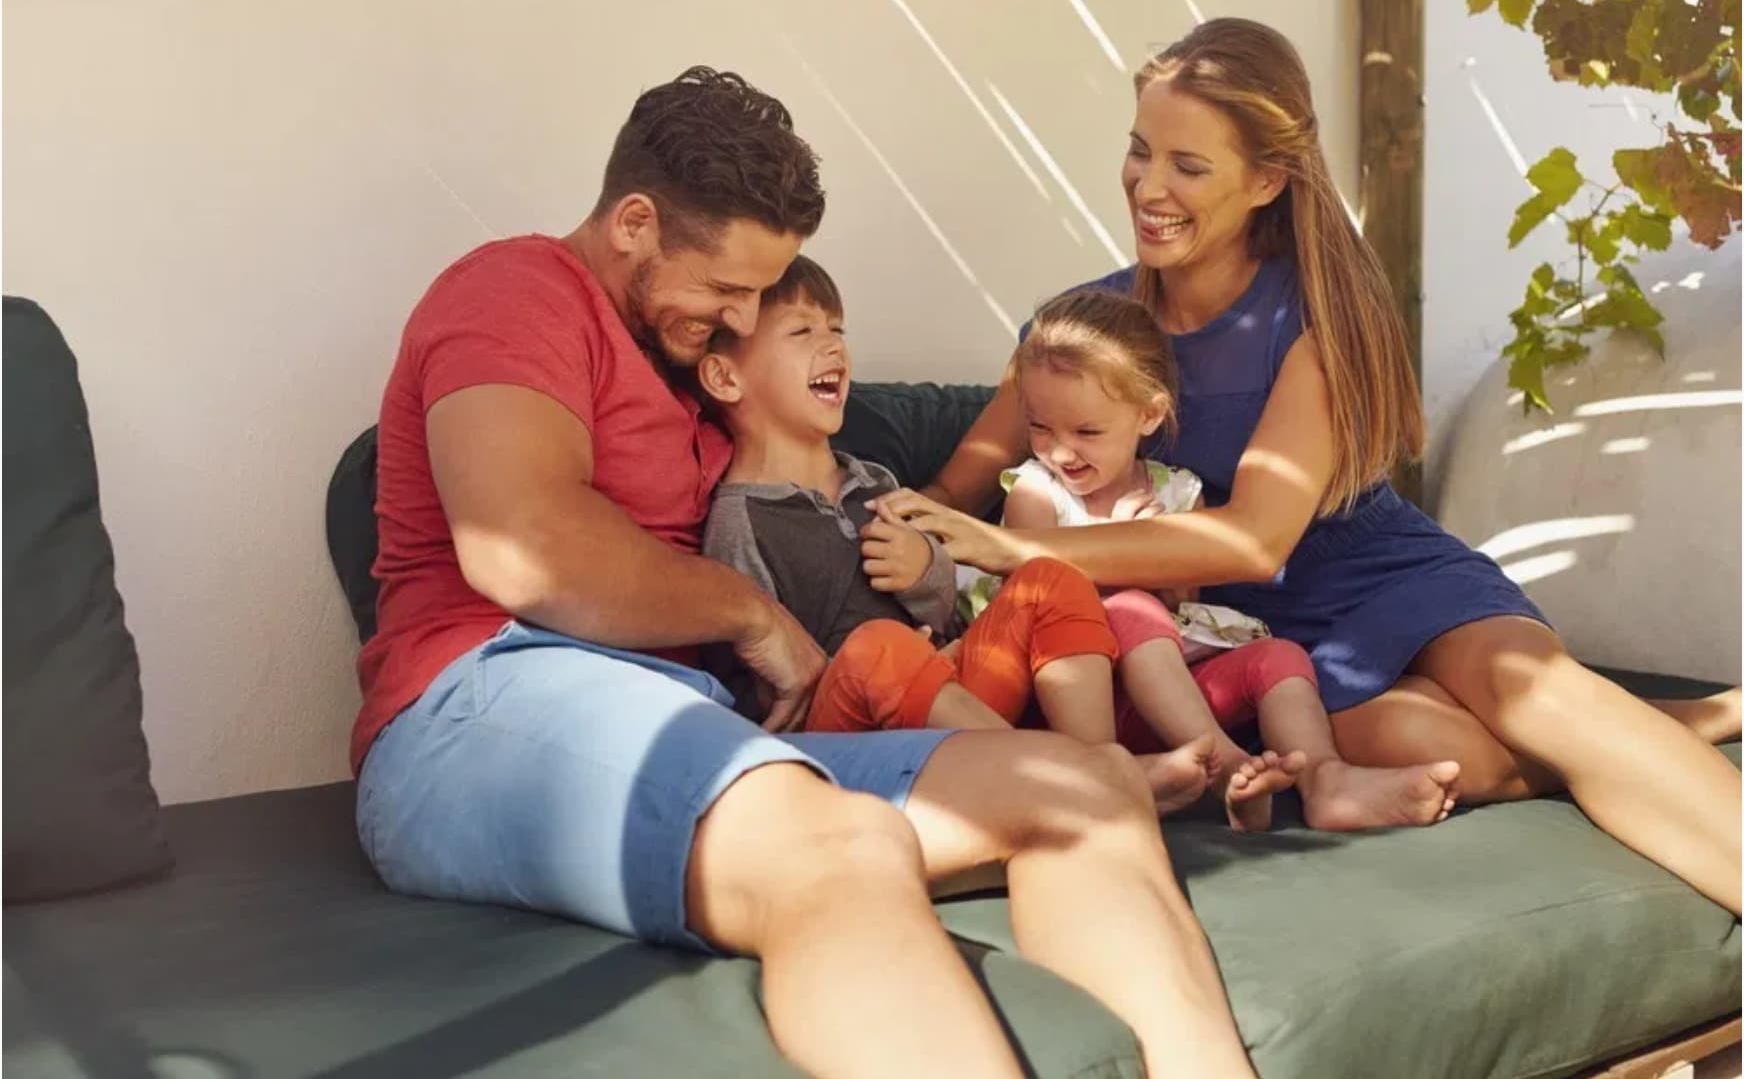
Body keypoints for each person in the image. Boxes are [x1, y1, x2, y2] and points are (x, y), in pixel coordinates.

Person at [352, 65, 1256, 1078]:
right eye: (729, 289)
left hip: (687, 716)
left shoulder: (693, 371)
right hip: (477, 699)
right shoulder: (514, 290)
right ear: (636, 222)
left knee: (1083, 783)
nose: (741, 318)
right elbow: (523, 542)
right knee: (840, 844)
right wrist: (753, 616)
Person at [879, 19, 1744, 915]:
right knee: (1420, 740)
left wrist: (1019, 553)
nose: (1149, 184)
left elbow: (1258, 537)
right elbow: (954, 490)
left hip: (1377, 570)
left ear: (1266, 180)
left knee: (1531, 691)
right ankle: (1668, 726)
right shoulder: (1082, 332)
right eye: (1141, 152)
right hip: (1260, 636)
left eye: (1189, 164)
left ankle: (1620, 730)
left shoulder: (1315, 317)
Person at [696, 254, 1246, 820]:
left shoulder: (874, 482)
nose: (834, 346)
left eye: (836, 328)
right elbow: (761, 681)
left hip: (949, 696)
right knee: (878, 646)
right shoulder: (742, 521)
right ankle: (1083, 780)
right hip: (843, 731)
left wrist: (923, 574)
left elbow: (942, 606)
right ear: (724, 376)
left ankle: (1100, 764)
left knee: (1049, 577)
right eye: (802, 331)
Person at [998, 286, 1462, 832]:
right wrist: (1124, 543)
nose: (1059, 451)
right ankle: (1225, 766)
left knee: (1280, 656)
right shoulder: (1035, 492)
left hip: (1157, 702)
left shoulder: (1179, 492)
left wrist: (1161, 550)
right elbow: (1043, 592)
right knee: (1129, 608)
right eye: (1039, 427)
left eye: (1087, 432)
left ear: (1149, 415)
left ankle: (1325, 781)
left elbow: (1184, 602)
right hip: (1072, 701)